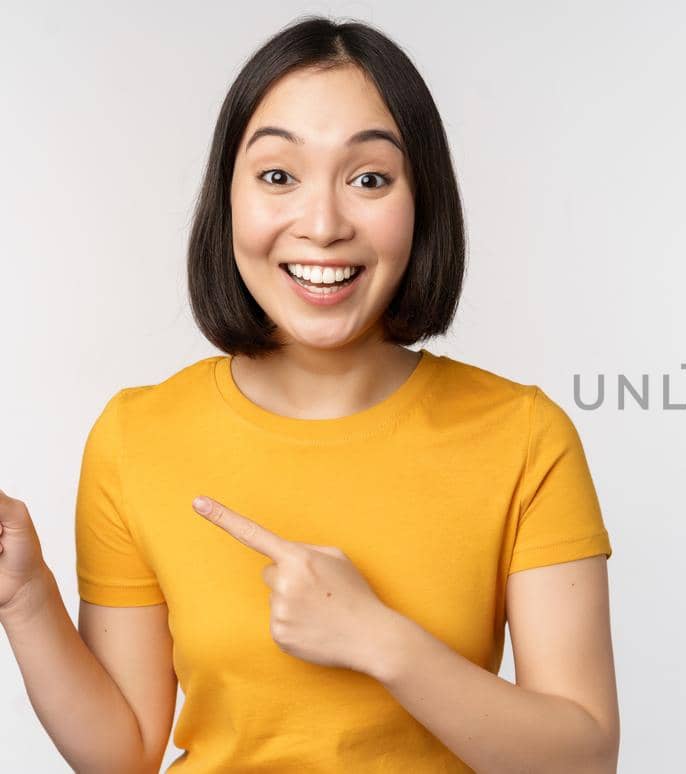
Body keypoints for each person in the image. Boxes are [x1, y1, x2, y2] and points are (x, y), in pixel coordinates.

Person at [0, 15, 619, 773]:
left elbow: (582, 761)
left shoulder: (523, 436)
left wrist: (378, 641)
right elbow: (122, 754)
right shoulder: (137, 436)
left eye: (369, 179)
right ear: (227, 198)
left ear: (422, 201)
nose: (323, 225)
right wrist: (26, 600)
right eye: (277, 176)